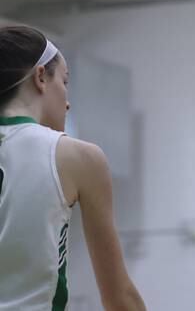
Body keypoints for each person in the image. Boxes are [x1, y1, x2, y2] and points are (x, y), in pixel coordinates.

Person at [0, 25, 146, 311]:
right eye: (65, 82)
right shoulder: (78, 156)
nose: (67, 104)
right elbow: (119, 298)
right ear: (41, 76)